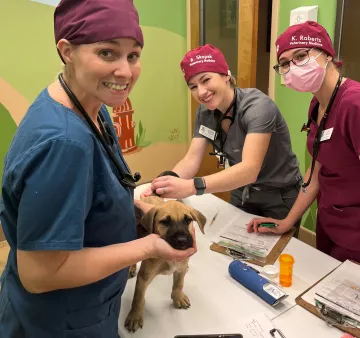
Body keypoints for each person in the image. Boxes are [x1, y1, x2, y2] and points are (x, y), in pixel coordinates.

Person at [0, 1, 196, 337]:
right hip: (62, 320)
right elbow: (40, 275)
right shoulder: (63, 143)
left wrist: (138, 210)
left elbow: (93, 192)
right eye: (107, 53)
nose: (125, 71)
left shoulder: (91, 107)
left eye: (133, 55)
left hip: (92, 303)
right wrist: (149, 246)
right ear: (67, 51)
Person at [143, 44, 302, 231]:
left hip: (279, 197)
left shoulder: (258, 107)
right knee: (231, 245)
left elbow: (250, 169)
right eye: (193, 86)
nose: (201, 92)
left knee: (277, 255)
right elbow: (191, 159)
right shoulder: (206, 112)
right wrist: (165, 185)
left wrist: (192, 186)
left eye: (206, 80)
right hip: (242, 192)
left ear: (226, 75)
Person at [247, 21, 360, 263]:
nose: (293, 67)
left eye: (300, 56)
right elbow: (316, 172)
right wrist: (287, 222)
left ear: (327, 54)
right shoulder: (318, 106)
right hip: (330, 225)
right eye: (285, 63)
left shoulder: (354, 105)